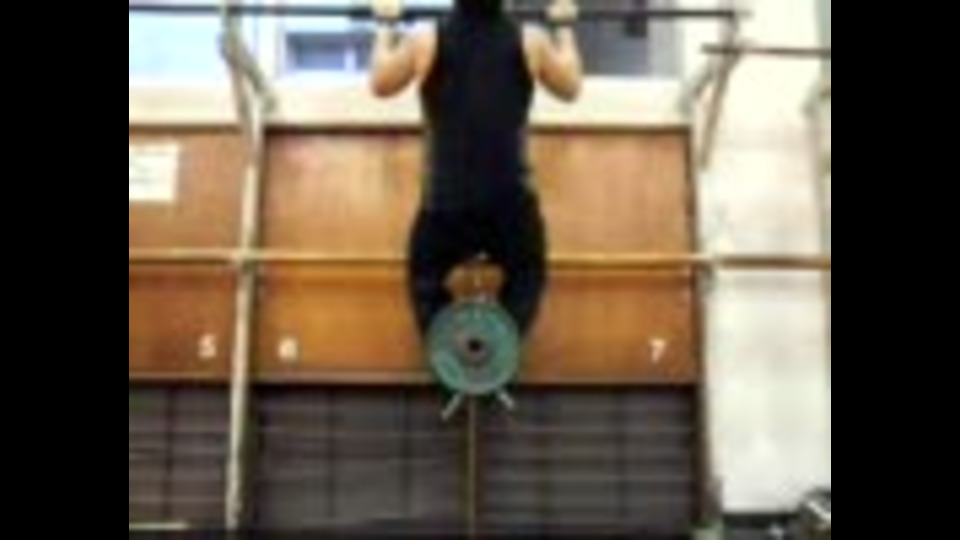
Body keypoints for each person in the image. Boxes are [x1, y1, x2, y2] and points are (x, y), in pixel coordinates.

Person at [369, 0, 584, 343]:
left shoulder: (425, 39)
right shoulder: (531, 40)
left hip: (445, 207)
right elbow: (571, 87)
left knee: (425, 283)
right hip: (510, 208)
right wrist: (564, 26)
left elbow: (380, 83)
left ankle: (456, 359)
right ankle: (492, 357)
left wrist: (386, 25)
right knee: (527, 277)